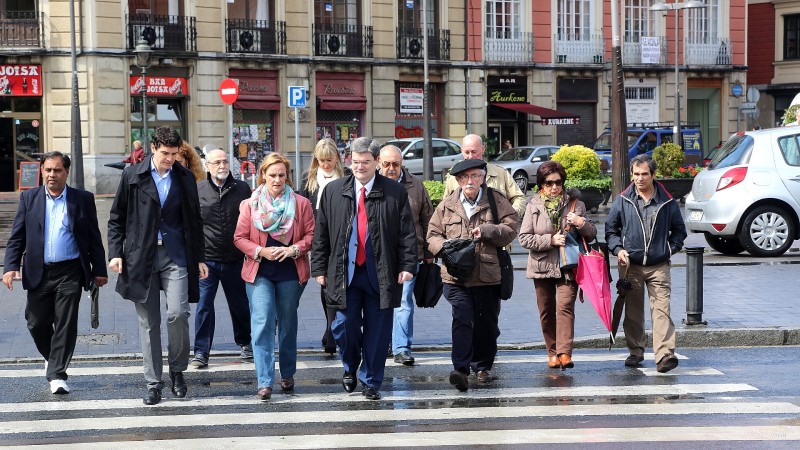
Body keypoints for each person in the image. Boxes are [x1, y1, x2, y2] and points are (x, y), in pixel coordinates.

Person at [107, 126, 209, 405]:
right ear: (153, 148)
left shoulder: (185, 177)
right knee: (148, 322)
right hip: (141, 257)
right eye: (165, 153)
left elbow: (195, 220)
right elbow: (117, 218)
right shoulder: (132, 175)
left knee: (178, 313)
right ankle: (153, 383)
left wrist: (199, 257)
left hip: (176, 255)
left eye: (175, 154)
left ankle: (177, 371)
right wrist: (115, 253)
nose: (170, 159)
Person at [310, 136, 417, 401]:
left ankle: (371, 381)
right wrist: (319, 267)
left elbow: (407, 233)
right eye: (355, 162)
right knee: (343, 326)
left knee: (378, 331)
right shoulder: (334, 191)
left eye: (366, 162)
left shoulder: (394, 191)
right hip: (343, 273)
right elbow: (320, 233)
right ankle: (350, 365)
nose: (360, 167)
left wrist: (407, 265)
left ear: (377, 163)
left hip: (380, 272)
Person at [3, 152, 108, 395]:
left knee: (65, 322)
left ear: (66, 172)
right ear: (41, 171)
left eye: (57, 170)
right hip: (38, 271)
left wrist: (99, 270)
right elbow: (17, 236)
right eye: (48, 170)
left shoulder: (82, 199)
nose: (52, 175)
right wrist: (10, 267)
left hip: (70, 271)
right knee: (36, 322)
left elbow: (94, 237)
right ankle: (54, 359)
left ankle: (57, 374)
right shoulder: (29, 198)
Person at [427, 159, 518, 392]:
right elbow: (432, 235)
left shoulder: (496, 200)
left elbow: (511, 229)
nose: (470, 181)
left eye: (475, 176)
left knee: (486, 324)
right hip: (455, 276)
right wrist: (445, 246)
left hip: (488, 274)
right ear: (457, 180)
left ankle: (483, 366)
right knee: (462, 318)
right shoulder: (447, 205)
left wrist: (487, 231)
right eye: (465, 177)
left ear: (482, 178)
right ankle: (461, 368)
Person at [234, 153, 315, 401]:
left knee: (288, 326)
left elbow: (311, 236)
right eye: (272, 175)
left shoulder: (301, 203)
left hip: (290, 272)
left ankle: (288, 373)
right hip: (260, 273)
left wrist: (294, 249)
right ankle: (265, 381)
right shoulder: (250, 204)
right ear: (263, 176)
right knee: (262, 324)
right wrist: (260, 251)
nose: (277, 180)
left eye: (281, 175)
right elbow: (239, 238)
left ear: (287, 176)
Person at [605, 154, 687, 373]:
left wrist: (668, 249)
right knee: (633, 311)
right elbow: (611, 231)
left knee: (662, 310)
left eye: (644, 174)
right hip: (630, 264)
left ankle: (664, 355)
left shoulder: (667, 201)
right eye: (636, 174)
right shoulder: (623, 199)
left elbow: (680, 231)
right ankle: (636, 350)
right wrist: (618, 249)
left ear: (653, 175)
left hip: (659, 264)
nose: (639, 179)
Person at [518, 161, 596, 370]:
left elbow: (591, 234)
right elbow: (524, 238)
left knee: (565, 308)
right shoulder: (533, 204)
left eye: (558, 182)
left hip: (567, 266)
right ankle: (552, 352)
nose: (554, 187)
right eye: (549, 183)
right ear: (541, 184)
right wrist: (550, 241)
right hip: (541, 266)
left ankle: (564, 353)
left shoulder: (575, 204)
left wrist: (580, 223)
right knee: (546, 311)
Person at [191, 148, 253, 369]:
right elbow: (193, 226)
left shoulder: (243, 189)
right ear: (207, 166)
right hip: (207, 260)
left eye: (225, 161)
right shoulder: (198, 190)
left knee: (240, 305)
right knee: (204, 306)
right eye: (216, 162)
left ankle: (246, 343)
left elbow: (252, 221)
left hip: (236, 259)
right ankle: (201, 352)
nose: (222, 166)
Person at [379, 145, 434, 366]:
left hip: (409, 255)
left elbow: (428, 220)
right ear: (378, 163)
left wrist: (429, 252)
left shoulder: (415, 185)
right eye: (386, 164)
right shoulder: (371, 184)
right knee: (380, 303)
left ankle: (401, 348)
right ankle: (381, 343)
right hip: (379, 254)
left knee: (403, 302)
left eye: (396, 164)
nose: (391, 168)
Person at [298, 138, 348, 354]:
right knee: (325, 284)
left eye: (329, 160)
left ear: (336, 158)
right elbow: (301, 208)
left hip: (343, 237)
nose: (326, 165)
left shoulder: (347, 177)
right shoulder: (309, 180)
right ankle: (331, 329)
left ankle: (335, 329)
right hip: (320, 239)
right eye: (321, 161)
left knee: (342, 284)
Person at [444, 134, 526, 216]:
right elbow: (446, 204)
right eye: (467, 152)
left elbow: (519, 197)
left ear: (483, 149)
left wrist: (510, 216)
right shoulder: (453, 176)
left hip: (496, 227)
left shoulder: (500, 173)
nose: (470, 156)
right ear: (462, 151)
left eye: (474, 152)